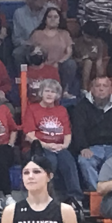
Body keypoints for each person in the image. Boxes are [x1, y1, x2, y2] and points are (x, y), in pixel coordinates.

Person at [22, 80, 84, 208]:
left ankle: (76, 198)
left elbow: (67, 133)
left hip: (58, 147)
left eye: (53, 92)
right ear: (41, 93)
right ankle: (48, 197)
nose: (50, 94)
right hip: (39, 147)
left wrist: (63, 146)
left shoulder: (61, 110)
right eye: (47, 91)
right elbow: (29, 135)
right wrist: (47, 145)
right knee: (50, 161)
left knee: (68, 161)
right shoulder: (32, 109)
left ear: (57, 95)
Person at [72, 76, 112, 190]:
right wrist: (83, 147)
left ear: (110, 89)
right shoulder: (81, 106)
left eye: (105, 86)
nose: (101, 89)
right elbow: (78, 129)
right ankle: (99, 191)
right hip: (92, 147)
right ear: (91, 88)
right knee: (84, 161)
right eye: (98, 86)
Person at [29, 7, 78, 98]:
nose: (52, 19)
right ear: (45, 19)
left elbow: (69, 51)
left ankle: (64, 91)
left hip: (59, 66)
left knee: (71, 64)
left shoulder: (64, 34)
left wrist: (59, 62)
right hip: (41, 66)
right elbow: (31, 51)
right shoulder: (37, 34)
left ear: (59, 19)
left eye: (55, 17)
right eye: (49, 16)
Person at [12, 0, 49, 69]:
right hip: (28, 47)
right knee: (17, 53)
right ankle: (23, 79)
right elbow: (16, 39)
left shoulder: (50, 9)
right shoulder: (19, 14)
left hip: (49, 44)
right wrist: (30, 44)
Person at [73, 22, 108, 94]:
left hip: (94, 64)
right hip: (80, 64)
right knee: (88, 62)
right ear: (83, 32)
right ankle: (84, 89)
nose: (90, 40)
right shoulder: (77, 42)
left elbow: (99, 59)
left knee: (98, 65)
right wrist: (82, 59)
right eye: (88, 37)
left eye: (92, 38)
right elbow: (73, 59)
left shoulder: (98, 42)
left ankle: (100, 86)